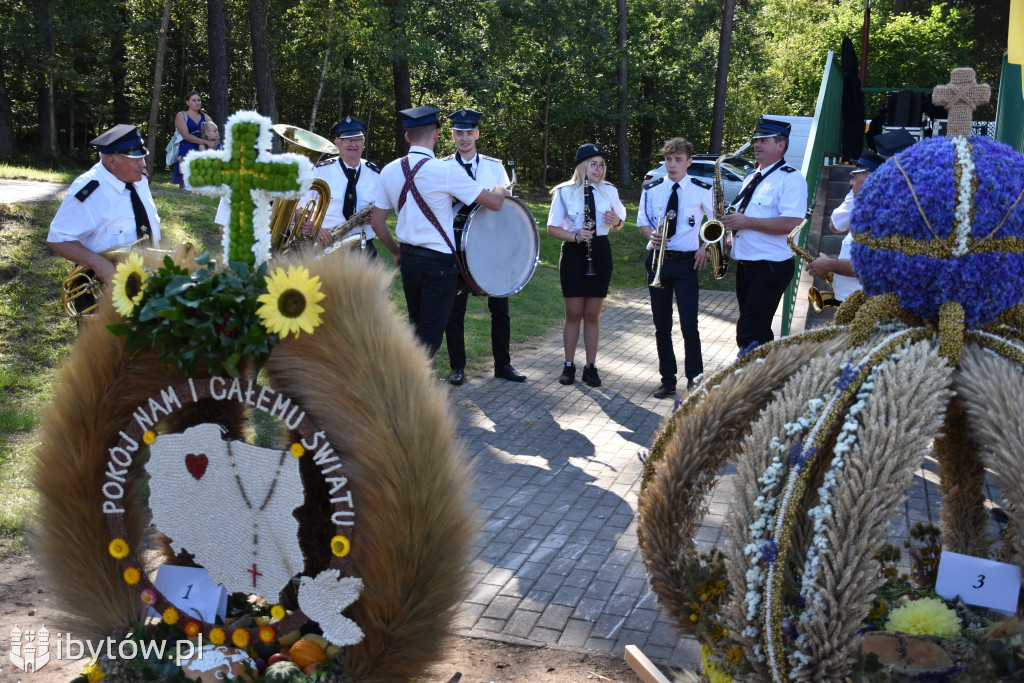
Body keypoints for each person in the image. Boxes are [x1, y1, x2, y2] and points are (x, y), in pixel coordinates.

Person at [369, 105, 506, 358]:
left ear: (407, 137)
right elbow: (495, 203)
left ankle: (410, 384)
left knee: (417, 327)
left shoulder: (388, 170)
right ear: (436, 135)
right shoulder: (445, 170)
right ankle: (409, 390)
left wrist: (396, 252)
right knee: (429, 339)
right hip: (438, 263)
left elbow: (377, 223)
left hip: (409, 258)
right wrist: (500, 187)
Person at [440, 109, 522, 385]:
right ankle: (458, 367)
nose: (464, 138)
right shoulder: (442, 167)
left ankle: (503, 364)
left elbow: (506, 197)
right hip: (455, 245)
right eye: (458, 133)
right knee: (455, 310)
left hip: (491, 244)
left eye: (468, 133)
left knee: (500, 308)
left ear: (477, 134)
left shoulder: (493, 166)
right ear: (452, 136)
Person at [48, 124, 161, 310]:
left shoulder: (139, 179)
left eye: (143, 157)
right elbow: (59, 239)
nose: (143, 164)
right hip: (102, 294)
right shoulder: (89, 190)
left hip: (145, 287)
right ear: (112, 161)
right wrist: (100, 265)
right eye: (136, 158)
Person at [719, 117, 808, 350]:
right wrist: (729, 237)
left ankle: (747, 380)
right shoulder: (751, 177)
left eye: (763, 140)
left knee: (748, 331)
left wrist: (746, 222)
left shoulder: (791, 178)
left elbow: (791, 222)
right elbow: (744, 219)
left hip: (770, 266)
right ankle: (768, 376)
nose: (756, 144)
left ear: (780, 145)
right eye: (756, 140)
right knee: (759, 330)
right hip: (747, 265)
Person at [637, 137, 714, 398]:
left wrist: (706, 246)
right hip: (658, 259)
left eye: (678, 159)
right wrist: (650, 236)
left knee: (689, 324)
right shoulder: (651, 187)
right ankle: (667, 379)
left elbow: (717, 224)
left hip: (686, 262)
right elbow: (643, 224)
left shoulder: (702, 189)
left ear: (689, 162)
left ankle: (695, 378)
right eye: (668, 159)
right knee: (662, 325)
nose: (672, 164)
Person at [546, 143, 626, 387]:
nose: (599, 169)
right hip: (573, 251)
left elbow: (620, 221)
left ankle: (591, 367)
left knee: (592, 314)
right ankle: (568, 365)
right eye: (594, 164)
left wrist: (616, 221)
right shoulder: (564, 191)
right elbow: (552, 228)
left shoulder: (609, 191)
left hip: (600, 251)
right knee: (573, 313)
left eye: (601, 164)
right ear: (582, 166)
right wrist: (576, 236)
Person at [808, 130, 916, 301]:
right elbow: (835, 226)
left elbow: (873, 264)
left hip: (871, 303)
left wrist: (831, 265)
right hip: (853, 300)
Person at [302, 116, 381, 257]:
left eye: (358, 139)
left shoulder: (374, 173)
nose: (353, 144)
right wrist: (316, 228)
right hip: (327, 245)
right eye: (347, 140)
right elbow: (300, 208)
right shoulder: (319, 171)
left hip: (363, 248)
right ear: (337, 143)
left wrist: (375, 217)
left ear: (364, 142)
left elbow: (381, 209)